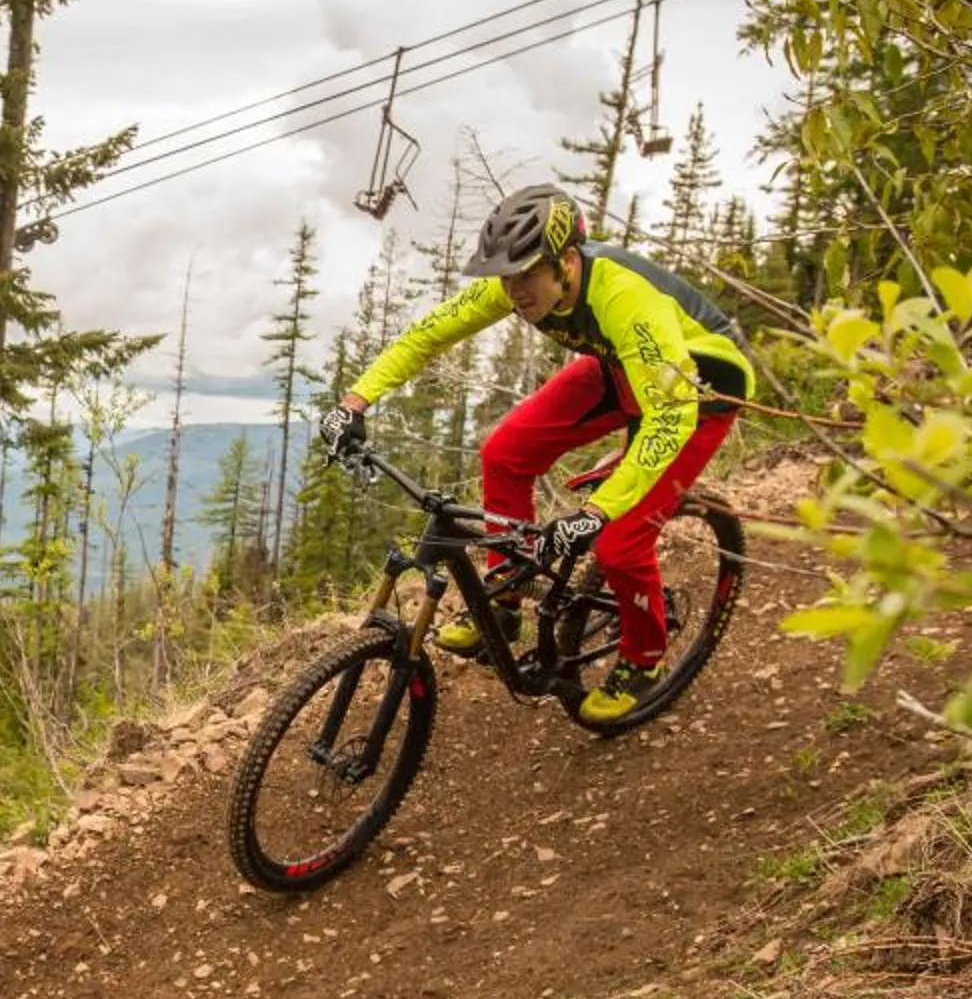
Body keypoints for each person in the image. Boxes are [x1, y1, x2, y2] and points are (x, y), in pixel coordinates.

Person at [315, 183, 753, 724]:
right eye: (506, 276)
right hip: (623, 369)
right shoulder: (524, 285)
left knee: (619, 543)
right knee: (505, 453)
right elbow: (426, 336)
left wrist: (597, 513)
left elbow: (670, 416)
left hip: (700, 392)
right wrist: (354, 401)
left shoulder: (624, 298)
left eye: (525, 274)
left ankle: (644, 662)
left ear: (566, 263)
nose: (514, 290)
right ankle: (505, 603)